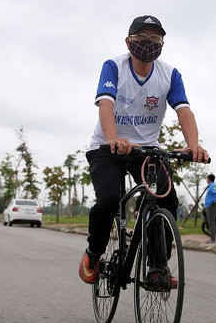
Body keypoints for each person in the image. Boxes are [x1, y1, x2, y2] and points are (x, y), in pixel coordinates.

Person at [81, 15, 209, 289]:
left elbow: (183, 110)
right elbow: (105, 105)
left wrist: (194, 144)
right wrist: (114, 139)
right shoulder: (114, 67)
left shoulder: (169, 75)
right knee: (109, 200)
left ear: (162, 44)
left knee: (167, 199)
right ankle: (93, 253)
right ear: (129, 42)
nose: (148, 45)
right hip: (108, 148)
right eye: (142, 39)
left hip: (147, 151)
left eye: (155, 40)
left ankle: (157, 267)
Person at [204, 174, 216, 243]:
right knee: (210, 223)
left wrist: (212, 203)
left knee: (211, 223)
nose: (206, 180)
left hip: (211, 206)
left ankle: (213, 240)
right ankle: (212, 239)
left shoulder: (213, 186)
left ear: (209, 179)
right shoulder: (210, 186)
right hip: (209, 206)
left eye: (206, 178)